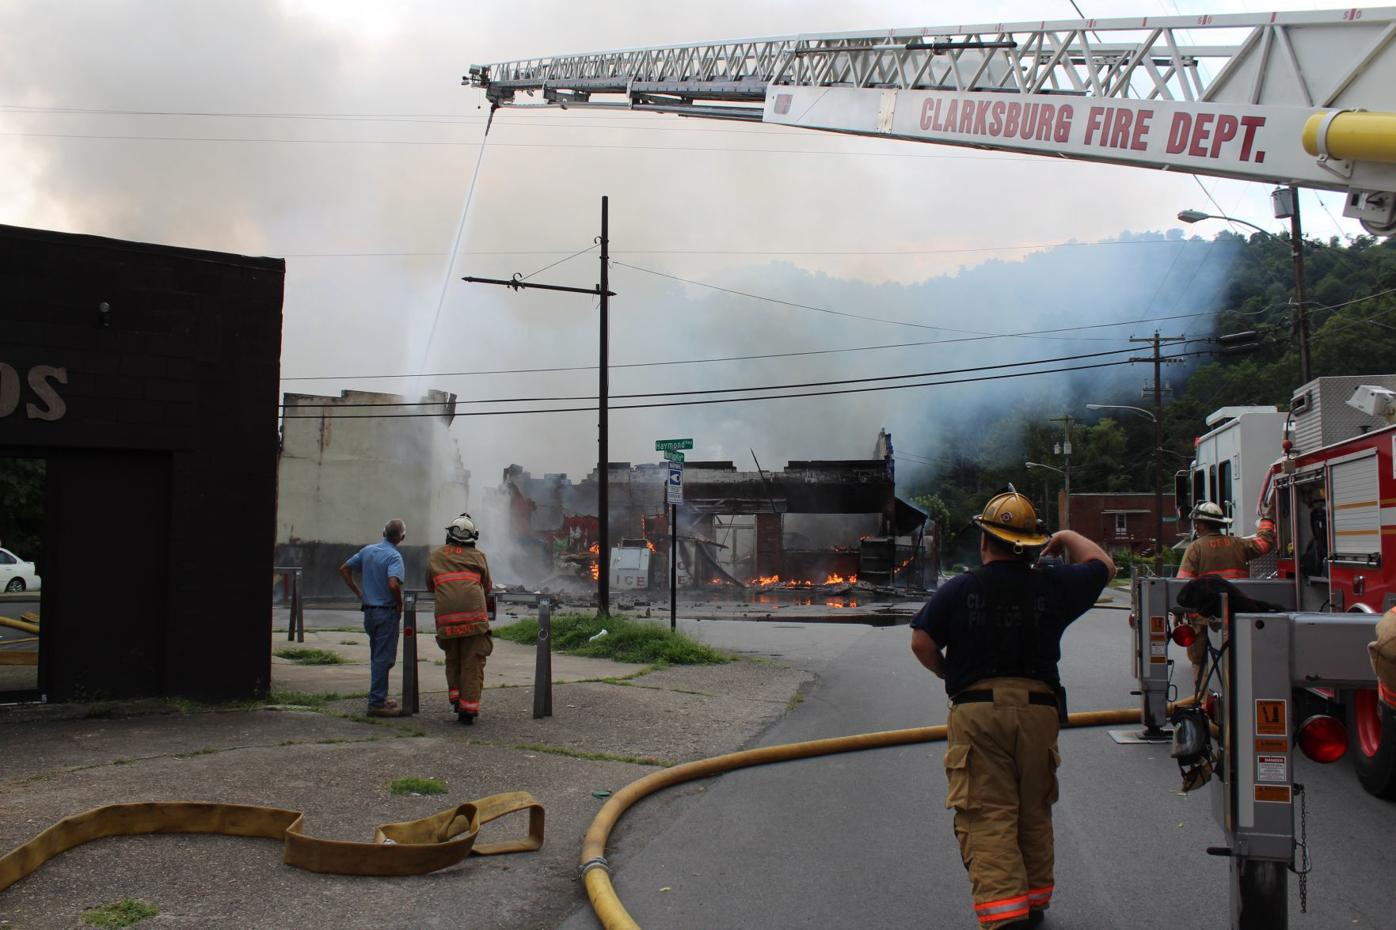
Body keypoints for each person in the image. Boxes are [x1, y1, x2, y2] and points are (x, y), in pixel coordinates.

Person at [910, 489, 1114, 930]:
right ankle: (1034, 900)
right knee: (1032, 806)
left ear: (985, 540)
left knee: (987, 811)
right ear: (1030, 544)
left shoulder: (961, 588)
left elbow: (921, 641)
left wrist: (950, 675)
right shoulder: (1054, 584)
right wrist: (1062, 534)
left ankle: (1006, 917)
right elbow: (1103, 565)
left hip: (978, 712)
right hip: (1040, 712)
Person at [1175, 500, 1276, 671]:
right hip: (1237, 615)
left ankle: (1206, 696)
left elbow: (1183, 586)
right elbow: (1265, 543)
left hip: (1204, 617)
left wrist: (1177, 613)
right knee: (1239, 662)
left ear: (1200, 525)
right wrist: (1267, 519)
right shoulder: (1238, 544)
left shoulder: (1195, 548)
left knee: (1201, 663)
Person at [426, 513, 493, 725]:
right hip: (474, 617)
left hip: (446, 618)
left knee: (453, 657)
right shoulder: (478, 556)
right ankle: (468, 709)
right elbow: (487, 586)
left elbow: (431, 586)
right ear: (473, 537)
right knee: (472, 661)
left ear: (449, 535)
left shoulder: (436, 556)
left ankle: (456, 697)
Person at [339, 519, 407, 717]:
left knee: (377, 655)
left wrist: (359, 593)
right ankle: (376, 703)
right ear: (402, 537)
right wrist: (399, 604)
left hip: (369, 611)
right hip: (386, 612)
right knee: (383, 658)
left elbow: (344, 569)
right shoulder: (394, 557)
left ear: (383, 532)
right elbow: (394, 584)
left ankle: (380, 697)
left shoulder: (368, 551)